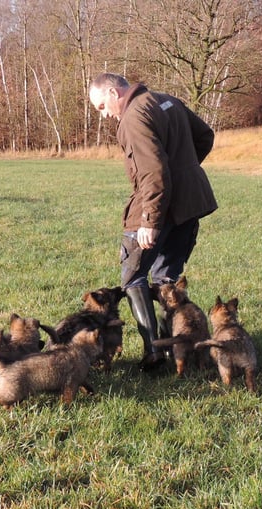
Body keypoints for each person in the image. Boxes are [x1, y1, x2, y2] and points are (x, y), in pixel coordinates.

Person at [88, 73, 218, 371]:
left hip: (156, 207)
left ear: (113, 92)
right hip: (189, 205)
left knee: (132, 276)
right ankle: (176, 348)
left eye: (101, 107)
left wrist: (149, 220)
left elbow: (153, 173)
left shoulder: (134, 116)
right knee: (165, 278)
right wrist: (183, 172)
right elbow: (205, 136)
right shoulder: (167, 100)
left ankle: (154, 352)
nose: (104, 115)